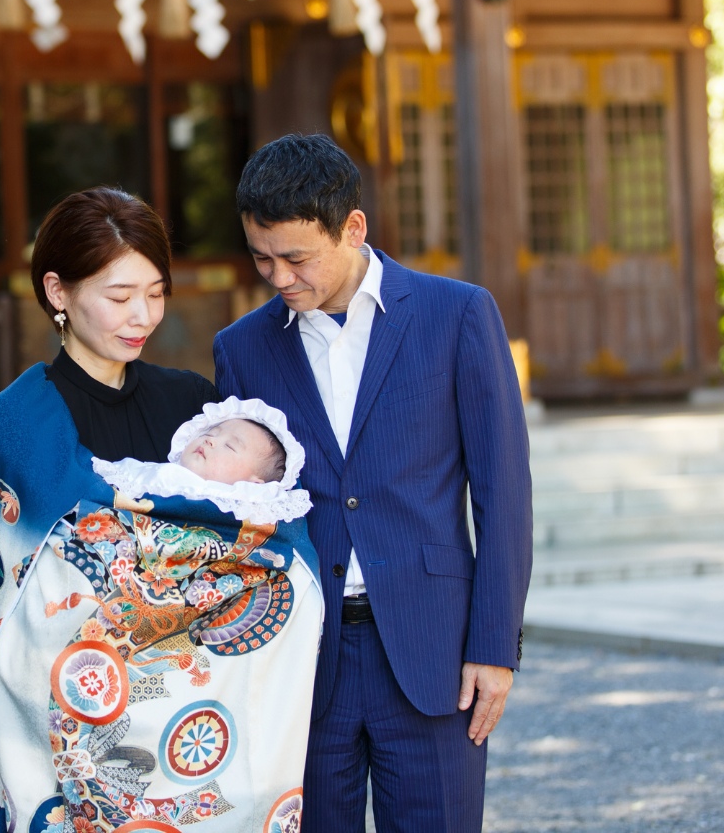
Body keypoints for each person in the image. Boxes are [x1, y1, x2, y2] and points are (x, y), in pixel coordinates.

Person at [0, 187, 321, 833]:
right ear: (58, 292)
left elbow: (258, 542)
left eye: (156, 293)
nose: (143, 316)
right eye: (120, 297)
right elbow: (25, 603)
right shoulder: (15, 428)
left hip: (193, 728)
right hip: (76, 713)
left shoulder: (195, 411)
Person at [213, 134, 534, 833]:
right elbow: (241, 514)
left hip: (434, 653)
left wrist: (493, 647)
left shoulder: (458, 316)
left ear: (352, 228)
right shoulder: (240, 349)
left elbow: (504, 496)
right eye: (261, 258)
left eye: (296, 258)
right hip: (298, 661)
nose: (278, 277)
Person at [92, 395, 314, 526]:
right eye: (211, 433)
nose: (210, 441)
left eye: (230, 446)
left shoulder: (246, 511)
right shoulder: (157, 474)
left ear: (255, 485)